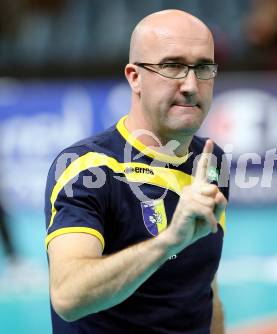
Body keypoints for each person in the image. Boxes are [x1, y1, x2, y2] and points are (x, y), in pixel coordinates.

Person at [44, 9, 228, 334]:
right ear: (134, 77)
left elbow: (204, 287)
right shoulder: (88, 169)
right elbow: (67, 296)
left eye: (202, 67)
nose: (190, 84)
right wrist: (169, 241)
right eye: (172, 66)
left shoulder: (211, 161)